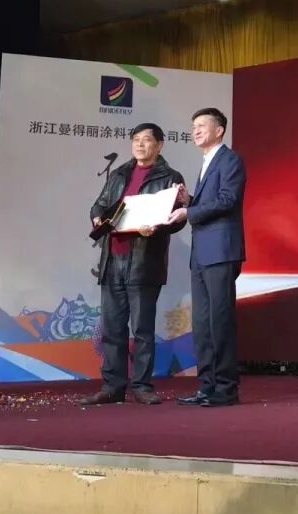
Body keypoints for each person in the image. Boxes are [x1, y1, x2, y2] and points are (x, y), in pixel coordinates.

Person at [81, 123, 185, 406]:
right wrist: (97, 218)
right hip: (113, 259)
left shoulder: (170, 177)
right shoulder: (119, 173)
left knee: (142, 330)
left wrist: (159, 226)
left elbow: (178, 219)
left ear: (160, 145)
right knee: (112, 329)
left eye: (146, 140)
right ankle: (113, 386)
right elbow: (99, 205)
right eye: (136, 140)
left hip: (144, 261)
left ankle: (142, 386)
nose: (139, 144)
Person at [166, 108, 246, 407]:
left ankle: (226, 388)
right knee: (201, 323)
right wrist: (188, 200)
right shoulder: (207, 161)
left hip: (221, 251)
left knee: (219, 320)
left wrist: (189, 212)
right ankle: (207, 386)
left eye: (202, 125)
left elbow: (227, 200)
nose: (195, 131)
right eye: (193, 126)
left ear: (219, 129)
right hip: (201, 253)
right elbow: (210, 202)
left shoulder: (230, 160)